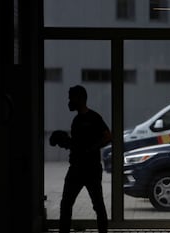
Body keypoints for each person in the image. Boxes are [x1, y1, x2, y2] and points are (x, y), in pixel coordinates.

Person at [50, 85, 111, 233]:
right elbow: (77, 145)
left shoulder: (94, 118)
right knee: (66, 205)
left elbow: (108, 136)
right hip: (76, 169)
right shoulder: (76, 120)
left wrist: (91, 148)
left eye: (71, 97)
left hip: (90, 169)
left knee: (97, 205)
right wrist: (66, 142)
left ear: (80, 98)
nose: (69, 101)